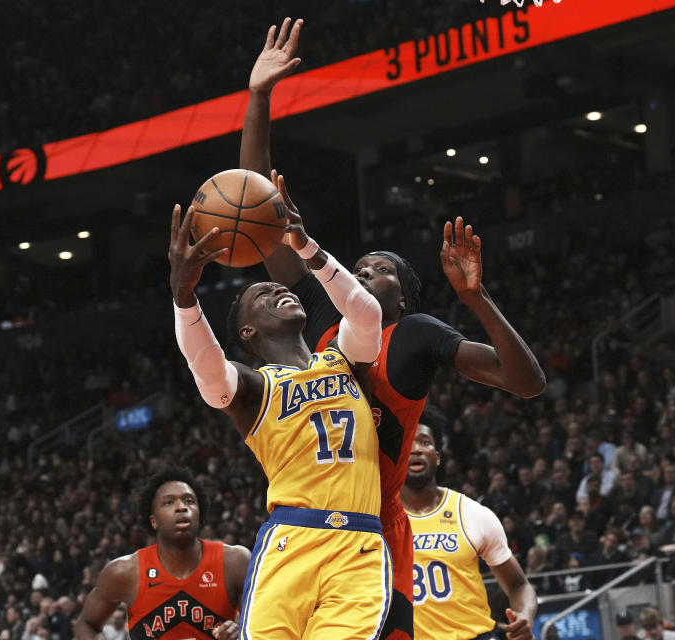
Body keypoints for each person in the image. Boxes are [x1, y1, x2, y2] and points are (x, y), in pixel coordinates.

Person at [239, 19, 545, 640]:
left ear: (401, 293)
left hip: (375, 525)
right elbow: (259, 213)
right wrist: (259, 98)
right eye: (357, 267)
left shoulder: (416, 334)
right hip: (309, 521)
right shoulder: (327, 325)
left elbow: (526, 382)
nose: (362, 271)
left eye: (377, 269)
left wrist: (477, 297)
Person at [169, 185, 392, 640]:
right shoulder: (255, 387)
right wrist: (184, 297)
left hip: (360, 547)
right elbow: (208, 373)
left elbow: (368, 316)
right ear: (248, 330)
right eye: (262, 295)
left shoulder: (343, 358)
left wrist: (305, 247)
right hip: (292, 539)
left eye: (276, 286)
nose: (276, 288)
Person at [400, 412, 537, 640]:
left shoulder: (472, 514)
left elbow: (519, 585)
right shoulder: (377, 518)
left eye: (425, 442)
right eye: (407, 442)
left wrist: (525, 615)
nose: (416, 449)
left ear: (437, 456)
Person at [73, 469, 249, 640]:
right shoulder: (124, 572)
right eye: (168, 503)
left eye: (189, 501)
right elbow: (86, 624)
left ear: (199, 514)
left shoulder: (235, 562)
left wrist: (240, 633)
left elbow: (264, 626)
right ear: (154, 521)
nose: (181, 507)